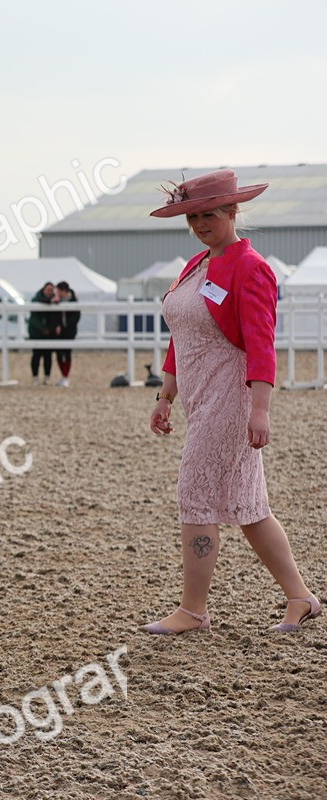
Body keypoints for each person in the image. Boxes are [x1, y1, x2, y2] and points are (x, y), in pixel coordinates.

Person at [145, 169, 319, 635]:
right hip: (198, 399)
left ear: (232, 211)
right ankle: (301, 598)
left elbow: (263, 344)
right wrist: (165, 396)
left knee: (197, 494)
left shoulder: (251, 266)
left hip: (231, 398)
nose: (200, 223)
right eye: (193, 216)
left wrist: (259, 409)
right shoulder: (196, 265)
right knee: (249, 506)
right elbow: (180, 338)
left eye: (209, 214)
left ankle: (193, 610)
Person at [26, 282, 58, 384]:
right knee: (37, 355)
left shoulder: (54, 300)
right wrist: (43, 329)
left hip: (48, 333)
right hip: (37, 333)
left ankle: (46, 377)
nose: (50, 292)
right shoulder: (37, 299)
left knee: (48, 356)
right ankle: (35, 377)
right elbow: (33, 319)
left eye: (52, 290)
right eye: (48, 290)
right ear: (44, 290)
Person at [53, 281, 80, 387]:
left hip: (69, 331)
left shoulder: (74, 300)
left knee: (67, 353)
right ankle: (63, 375)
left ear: (64, 291)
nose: (57, 293)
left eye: (59, 291)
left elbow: (76, 316)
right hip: (59, 331)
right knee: (59, 353)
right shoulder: (57, 300)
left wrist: (66, 326)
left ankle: (66, 376)